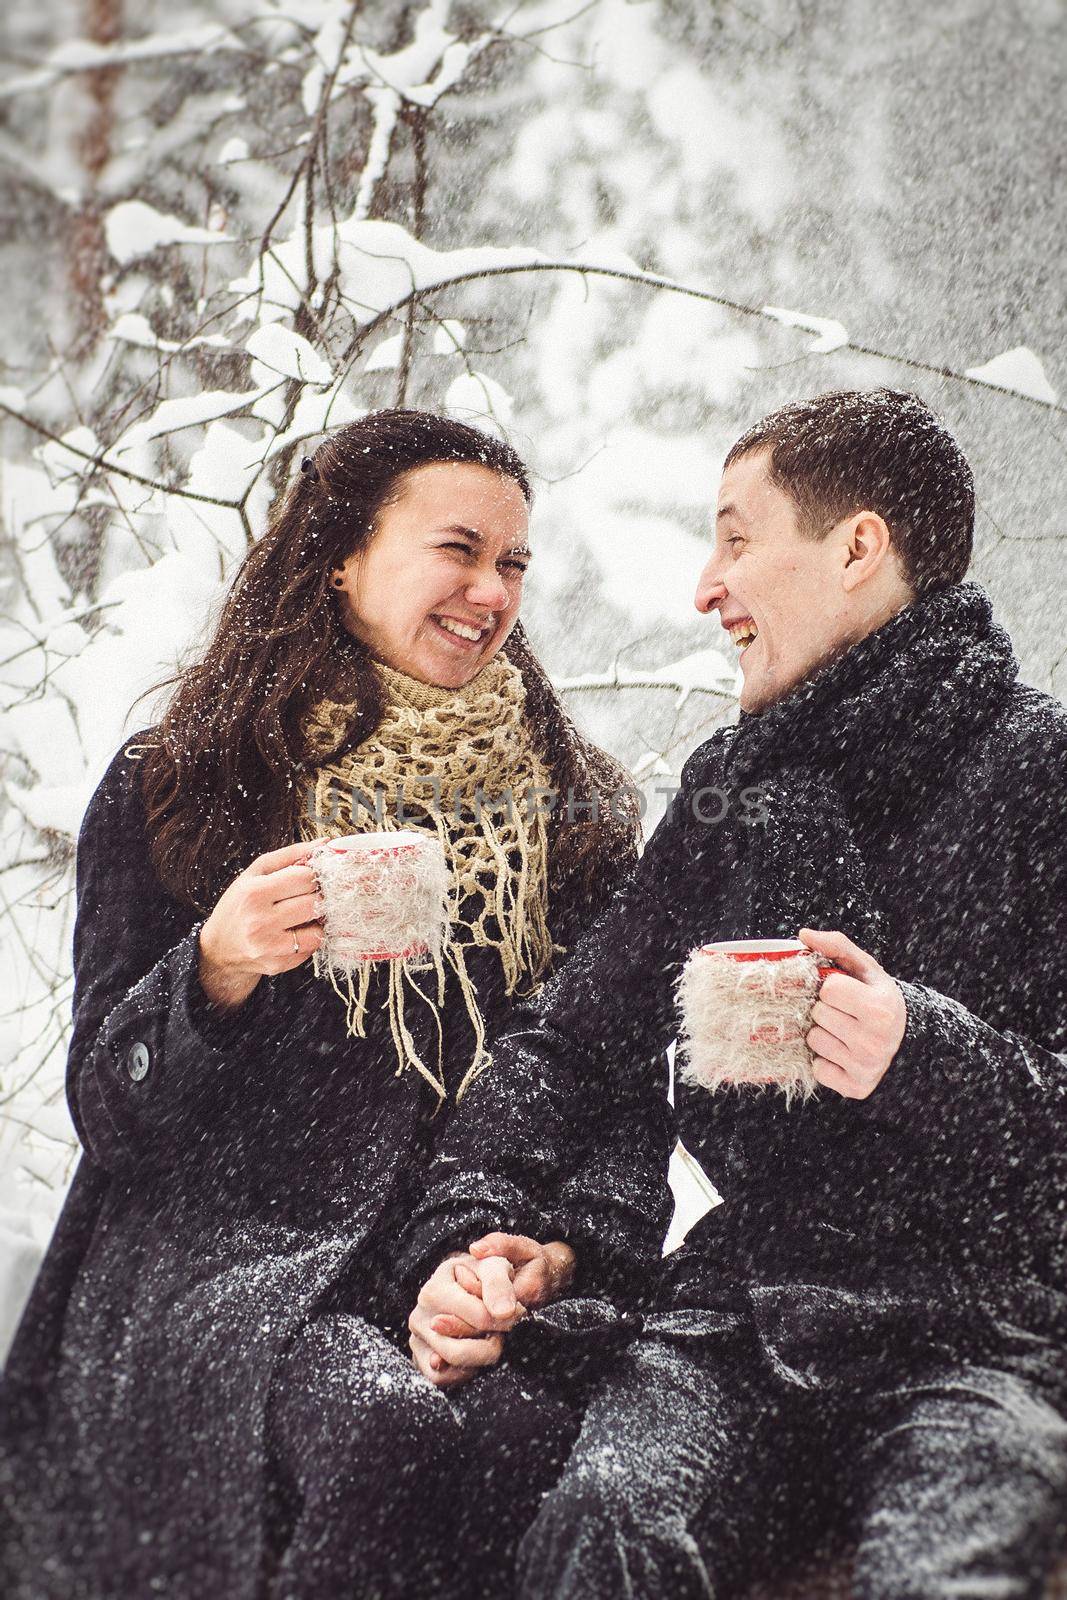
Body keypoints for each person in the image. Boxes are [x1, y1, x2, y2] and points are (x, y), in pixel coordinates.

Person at [402, 389, 1067, 1599]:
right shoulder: (726, 786)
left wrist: (923, 1052)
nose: (704, 587)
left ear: (857, 548)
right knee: (604, 1522)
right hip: (739, 1315)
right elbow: (568, 1044)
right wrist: (469, 1232)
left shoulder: (1041, 768)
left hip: (980, 1339)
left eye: (735, 536)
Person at [0, 409, 643, 1600]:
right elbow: (109, 1105)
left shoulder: (573, 812)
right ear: (339, 555)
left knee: (529, 1452)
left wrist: (543, 1251)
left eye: (512, 562)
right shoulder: (180, 779)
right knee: (381, 1439)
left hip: (455, 1251)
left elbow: (605, 1089)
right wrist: (213, 973)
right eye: (457, 548)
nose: (489, 591)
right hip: (220, 1272)